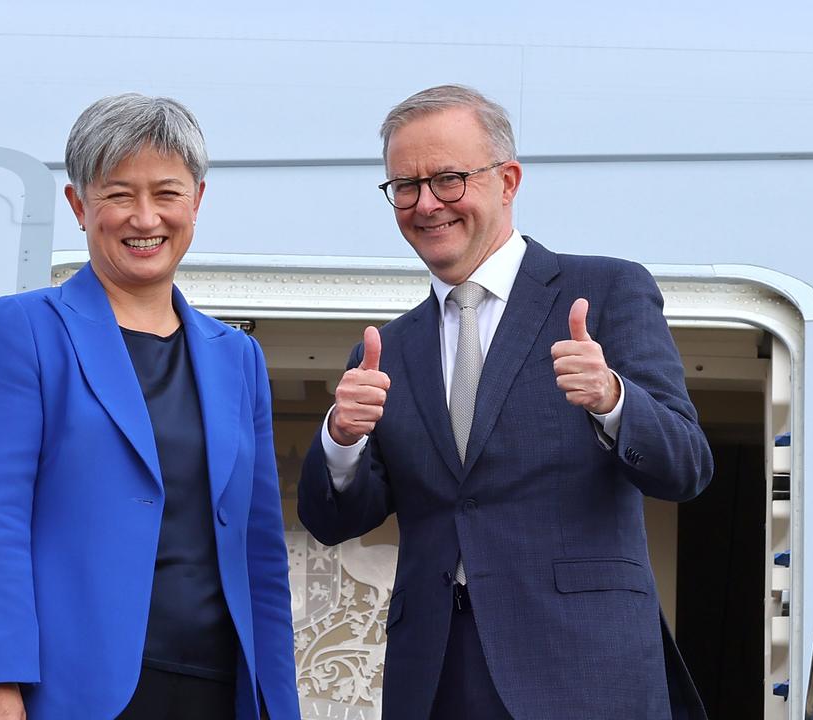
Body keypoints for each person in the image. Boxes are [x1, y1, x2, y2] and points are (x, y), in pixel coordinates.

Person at [297, 85, 714, 720]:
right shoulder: (386, 350)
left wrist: (612, 400)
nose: (425, 203)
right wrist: (341, 441)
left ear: (508, 180)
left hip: (582, 666)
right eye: (404, 186)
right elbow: (332, 521)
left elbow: (686, 466)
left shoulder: (606, 290)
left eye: (448, 179)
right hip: (436, 673)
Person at [0, 93, 298, 720]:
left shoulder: (237, 358)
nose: (145, 218)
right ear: (79, 206)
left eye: (166, 193)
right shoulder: (24, 329)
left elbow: (259, 550)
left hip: (220, 687)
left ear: (197, 200)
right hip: (74, 687)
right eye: (118, 195)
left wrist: (278, 701)